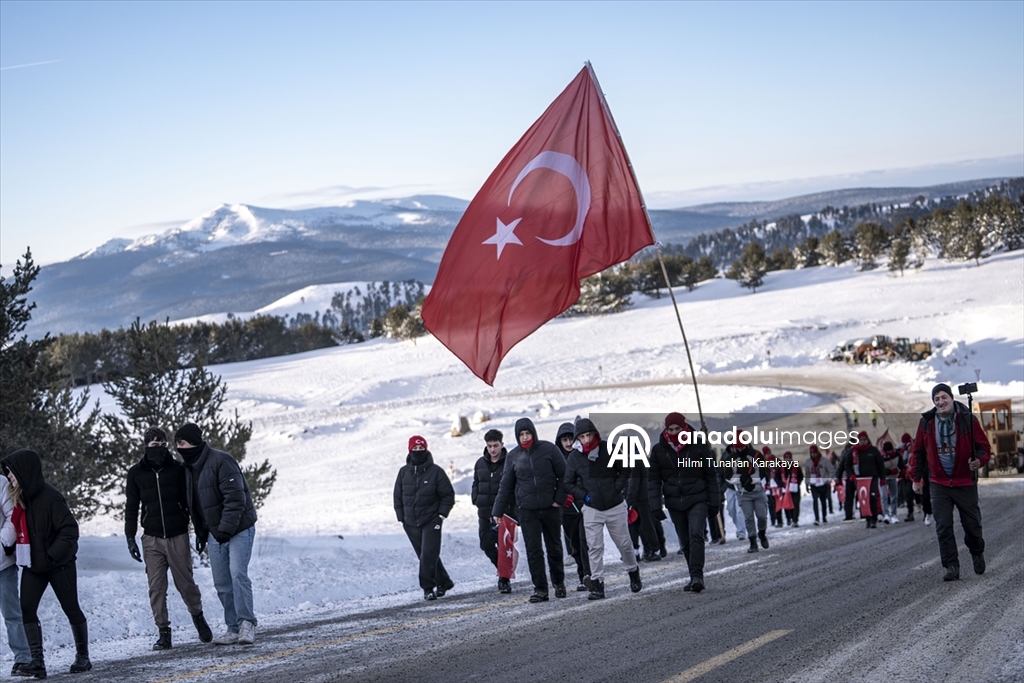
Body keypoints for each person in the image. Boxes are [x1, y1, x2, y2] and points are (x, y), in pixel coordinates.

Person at [1, 448, 91, 677]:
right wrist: (9, 547)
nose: (9, 476)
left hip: (59, 565)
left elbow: (70, 530)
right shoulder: (21, 500)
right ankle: (37, 662)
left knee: (71, 608)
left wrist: (52, 555)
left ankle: (83, 656)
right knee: (27, 609)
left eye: (11, 472)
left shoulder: (51, 497)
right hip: (33, 566)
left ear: (24, 472)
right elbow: (18, 528)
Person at [125, 427, 213, 650]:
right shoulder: (136, 473)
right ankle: (163, 632)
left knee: (185, 583)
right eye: (155, 445)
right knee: (156, 588)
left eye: (163, 444)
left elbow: (191, 502)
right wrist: (130, 537)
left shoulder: (179, 470)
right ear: (146, 446)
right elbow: (131, 507)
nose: (160, 448)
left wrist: (200, 530)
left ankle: (198, 616)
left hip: (177, 535)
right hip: (151, 538)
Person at [177, 423, 259, 645]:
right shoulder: (188, 469)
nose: (179, 448)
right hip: (216, 532)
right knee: (221, 582)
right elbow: (196, 506)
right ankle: (233, 628)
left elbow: (236, 498)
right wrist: (201, 532)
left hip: (239, 528)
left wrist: (226, 529)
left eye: (182, 443)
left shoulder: (221, 460)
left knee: (237, 573)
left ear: (194, 442)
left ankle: (247, 623)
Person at [912, 383, 990, 582]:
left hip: (965, 481)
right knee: (943, 526)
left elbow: (984, 447)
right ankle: (951, 566)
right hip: (939, 483)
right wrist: (916, 478)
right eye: (936, 399)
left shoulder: (967, 419)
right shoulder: (926, 423)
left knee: (972, 525)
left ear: (952, 398)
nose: (940, 402)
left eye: (944, 397)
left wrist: (978, 461)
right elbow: (918, 452)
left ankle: (977, 552)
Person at [562, 418, 640, 600]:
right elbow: (568, 483)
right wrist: (584, 496)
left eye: (588, 435)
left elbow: (625, 469)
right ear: (577, 438)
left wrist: (616, 488)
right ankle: (597, 584)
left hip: (615, 505)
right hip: (592, 508)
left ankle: (633, 571)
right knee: (594, 547)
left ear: (595, 434)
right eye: (582, 437)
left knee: (624, 544)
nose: (586, 440)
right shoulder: (574, 458)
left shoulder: (609, 448)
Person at [492, 418, 567, 603]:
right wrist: (497, 510)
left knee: (554, 548)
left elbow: (565, 476)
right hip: (527, 511)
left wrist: (558, 499)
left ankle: (558, 583)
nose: (525, 437)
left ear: (533, 433)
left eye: (528, 433)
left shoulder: (549, 449)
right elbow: (506, 485)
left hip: (550, 508)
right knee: (534, 551)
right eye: (521, 434)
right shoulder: (513, 456)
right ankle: (540, 589)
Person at [648, 413, 719, 593]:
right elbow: (654, 480)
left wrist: (715, 501)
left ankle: (697, 576)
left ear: (684, 427)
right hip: (674, 501)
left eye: (677, 429)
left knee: (696, 534)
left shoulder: (699, 446)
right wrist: (655, 505)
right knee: (685, 541)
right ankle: (693, 575)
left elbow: (711, 474)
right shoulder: (658, 450)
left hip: (697, 497)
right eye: (670, 429)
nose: (674, 432)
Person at [394, 435, 455, 601]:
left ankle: (427, 588)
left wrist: (441, 515)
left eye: (421, 448)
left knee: (429, 553)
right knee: (424, 555)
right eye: (415, 448)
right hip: (410, 522)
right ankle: (444, 582)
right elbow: (397, 496)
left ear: (426, 450)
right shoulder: (403, 472)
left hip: (431, 520)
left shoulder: (436, 471)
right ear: (409, 450)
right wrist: (401, 517)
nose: (418, 451)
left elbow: (448, 495)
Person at [471, 429, 514, 593]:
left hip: (504, 513)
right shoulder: (480, 463)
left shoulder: (509, 462)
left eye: (495, 445)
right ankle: (503, 568)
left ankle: (504, 579)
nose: (492, 449)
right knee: (486, 544)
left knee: (504, 547)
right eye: (489, 446)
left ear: (502, 444)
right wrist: (475, 498)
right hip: (484, 512)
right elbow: (476, 482)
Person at [1, 473, 31, 675]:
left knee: (12, 613)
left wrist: (2, 544)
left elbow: (13, 517)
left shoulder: (1, 483)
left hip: (2, 564)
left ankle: (23, 658)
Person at [555, 422, 591, 592]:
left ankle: (589, 575)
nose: (568, 443)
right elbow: (553, 482)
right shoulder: (555, 458)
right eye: (565, 440)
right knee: (575, 544)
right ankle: (582, 574)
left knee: (585, 541)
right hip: (567, 509)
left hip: (584, 504)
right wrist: (562, 497)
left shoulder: (582, 455)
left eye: (571, 439)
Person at [722, 437, 770, 553]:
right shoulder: (730, 459)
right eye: (737, 448)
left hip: (758, 491)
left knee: (762, 516)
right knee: (748, 518)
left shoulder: (756, 455)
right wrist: (740, 479)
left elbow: (763, 471)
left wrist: (752, 480)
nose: (740, 450)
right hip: (743, 493)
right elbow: (727, 475)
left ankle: (762, 533)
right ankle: (753, 542)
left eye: (742, 447)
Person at [838, 431, 885, 528]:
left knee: (872, 497)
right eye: (861, 440)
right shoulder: (853, 451)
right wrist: (851, 474)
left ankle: (874, 518)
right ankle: (867, 518)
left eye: (864, 439)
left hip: (872, 478)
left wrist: (882, 478)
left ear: (867, 440)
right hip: (860, 479)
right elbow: (846, 464)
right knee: (864, 499)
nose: (863, 441)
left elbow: (880, 464)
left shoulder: (873, 450)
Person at [720, 445, 747, 540]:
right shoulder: (725, 457)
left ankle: (741, 531)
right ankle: (740, 526)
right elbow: (722, 472)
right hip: (730, 487)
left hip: (741, 487)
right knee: (731, 509)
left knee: (740, 509)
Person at [804, 444, 834, 525]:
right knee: (815, 500)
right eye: (812, 453)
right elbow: (807, 474)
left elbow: (831, 470)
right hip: (813, 484)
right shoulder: (808, 462)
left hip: (822, 483)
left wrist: (829, 480)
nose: (813, 454)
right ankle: (816, 518)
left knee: (823, 501)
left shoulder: (824, 461)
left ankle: (824, 516)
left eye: (814, 453)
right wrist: (806, 484)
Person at [774, 454, 803, 527]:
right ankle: (790, 518)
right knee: (787, 505)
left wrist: (797, 483)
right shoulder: (780, 467)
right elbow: (776, 478)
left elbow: (801, 476)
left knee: (796, 504)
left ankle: (795, 520)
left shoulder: (796, 466)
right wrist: (782, 484)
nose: (788, 460)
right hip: (785, 490)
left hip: (795, 489)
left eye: (789, 458)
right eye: (786, 458)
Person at [879, 441, 902, 524]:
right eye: (888, 451)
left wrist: (902, 470)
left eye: (890, 450)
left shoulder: (896, 454)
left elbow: (901, 463)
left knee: (894, 496)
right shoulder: (880, 456)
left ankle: (894, 514)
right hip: (883, 478)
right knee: (884, 496)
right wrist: (889, 471)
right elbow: (879, 468)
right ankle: (886, 514)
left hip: (893, 477)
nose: (889, 452)